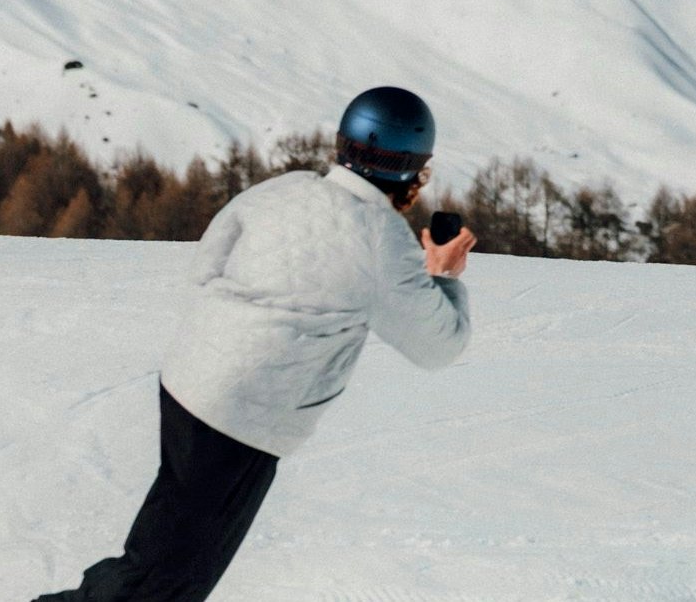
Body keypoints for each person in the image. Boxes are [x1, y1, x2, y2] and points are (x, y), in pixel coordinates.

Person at [36, 86, 477, 602]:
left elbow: (209, 263)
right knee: (162, 584)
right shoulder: (382, 237)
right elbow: (437, 346)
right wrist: (443, 276)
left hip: (189, 380)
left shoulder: (282, 189)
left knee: (163, 552)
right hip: (244, 415)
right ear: (410, 171)